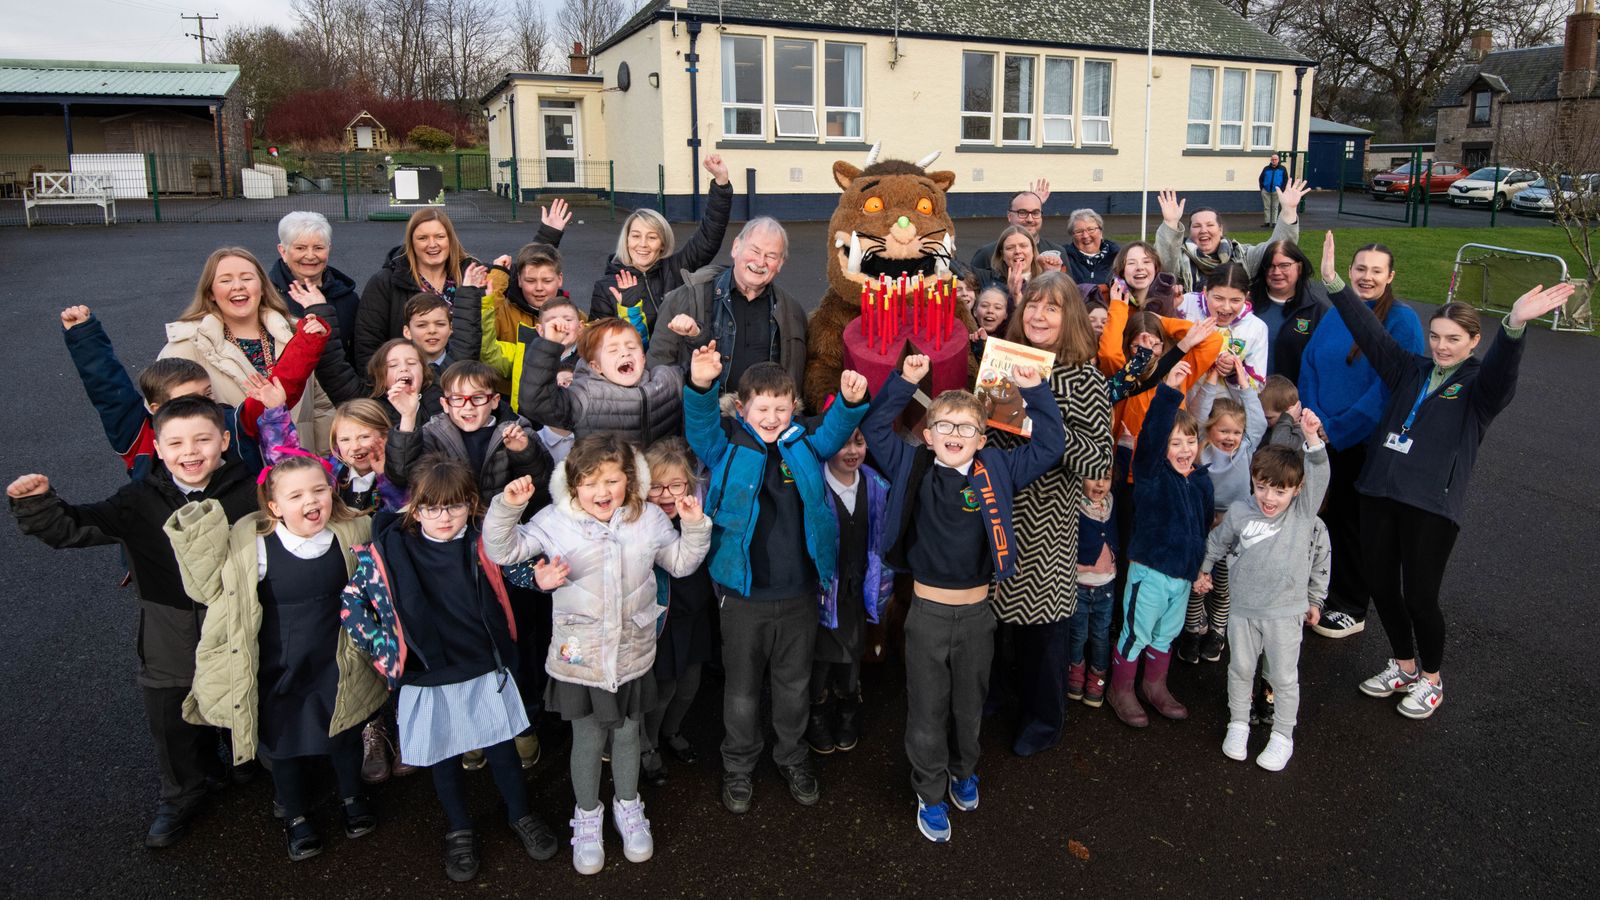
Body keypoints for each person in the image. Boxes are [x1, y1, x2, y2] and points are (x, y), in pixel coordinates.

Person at [1319, 231, 1575, 719]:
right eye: (1436, 336)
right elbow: (1369, 332)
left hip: (1431, 506)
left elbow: (1502, 373)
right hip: (1378, 492)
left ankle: (1432, 679)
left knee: (1419, 595)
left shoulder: (1480, 389)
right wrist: (1334, 282)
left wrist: (1515, 326)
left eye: (1454, 339)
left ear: (1473, 341)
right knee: (1381, 586)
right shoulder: (1407, 369)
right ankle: (1403, 665)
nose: (1441, 346)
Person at [9, 397, 259, 848]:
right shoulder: (139, 499)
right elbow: (74, 527)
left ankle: (247, 763)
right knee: (172, 715)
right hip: (169, 630)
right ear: (159, 448)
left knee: (245, 690)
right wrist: (38, 505)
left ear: (224, 440)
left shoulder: (252, 491)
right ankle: (184, 792)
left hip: (237, 621)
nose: (191, 451)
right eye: (177, 442)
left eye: (203, 439)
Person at [861, 353, 1065, 842]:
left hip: (978, 614)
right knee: (927, 708)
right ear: (928, 435)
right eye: (944, 426)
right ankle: (929, 794)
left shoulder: (997, 468)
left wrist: (1035, 390)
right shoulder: (913, 465)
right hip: (927, 614)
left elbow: (1052, 444)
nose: (955, 433)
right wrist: (904, 382)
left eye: (967, 427)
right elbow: (874, 428)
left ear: (983, 437)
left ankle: (962, 770)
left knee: (968, 704)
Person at [484, 435, 711, 875]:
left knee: (627, 733)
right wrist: (508, 508)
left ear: (630, 480)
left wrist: (695, 526)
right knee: (587, 739)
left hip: (632, 652)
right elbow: (503, 550)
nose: (602, 492)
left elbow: (681, 563)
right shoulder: (555, 520)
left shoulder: (647, 520)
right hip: (581, 656)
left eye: (612, 480)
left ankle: (629, 806)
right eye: (589, 482)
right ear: (572, 486)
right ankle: (587, 816)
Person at [338, 457, 559, 881]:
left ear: (470, 504)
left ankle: (520, 814)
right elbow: (352, 603)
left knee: (502, 750)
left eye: (455, 506)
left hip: (484, 666)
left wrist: (539, 580)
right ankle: (459, 828)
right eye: (432, 508)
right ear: (415, 509)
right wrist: (387, 651)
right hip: (426, 673)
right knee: (444, 758)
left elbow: (516, 570)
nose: (444, 517)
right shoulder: (389, 549)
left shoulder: (482, 543)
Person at [164, 454, 386, 860]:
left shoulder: (352, 531)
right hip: (278, 660)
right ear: (274, 507)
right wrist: (197, 534)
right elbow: (208, 588)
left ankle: (353, 797)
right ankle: (296, 814)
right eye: (296, 495)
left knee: (345, 729)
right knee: (281, 742)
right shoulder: (256, 547)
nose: (311, 500)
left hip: (337, 655)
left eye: (319, 489)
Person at [681, 349, 870, 815]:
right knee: (742, 689)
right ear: (742, 409)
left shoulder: (804, 444)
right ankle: (739, 765)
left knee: (793, 684)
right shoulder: (726, 445)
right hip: (743, 595)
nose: (771, 417)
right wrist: (702, 387)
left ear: (794, 409)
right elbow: (700, 429)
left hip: (800, 592)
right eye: (761, 409)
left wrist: (847, 404)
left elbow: (832, 435)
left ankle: (792, 755)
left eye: (781, 409)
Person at [986, 274, 1113, 756]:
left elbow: (1097, 460)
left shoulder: (1085, 378)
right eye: (1033, 305)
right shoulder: (1006, 360)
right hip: (995, 513)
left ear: (1071, 318)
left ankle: (1044, 720)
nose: (1038, 316)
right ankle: (995, 699)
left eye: (1052, 308)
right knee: (992, 627)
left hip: (1046, 523)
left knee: (1041, 635)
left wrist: (1037, 423)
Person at [1299, 242, 1424, 640]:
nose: (1366, 277)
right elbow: (1310, 365)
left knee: (1352, 524)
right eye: (1360, 268)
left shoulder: (1402, 320)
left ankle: (1351, 606)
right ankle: (1324, 594)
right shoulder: (1338, 313)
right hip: (1320, 434)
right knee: (1322, 519)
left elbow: (1390, 388)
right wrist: (1313, 419)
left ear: (1391, 277)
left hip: (1360, 442)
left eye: (1376, 270)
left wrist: (1336, 429)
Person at [1199, 408, 1331, 770]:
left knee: (1283, 677)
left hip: (1285, 613)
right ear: (1252, 482)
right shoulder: (1241, 511)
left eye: (1279, 491)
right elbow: (1217, 541)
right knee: (1240, 669)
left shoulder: (1302, 514)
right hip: (1242, 611)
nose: (1269, 498)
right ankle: (1238, 724)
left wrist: (1313, 440)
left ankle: (1282, 736)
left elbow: (1320, 473)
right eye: (1261, 487)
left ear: (1297, 490)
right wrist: (1205, 569)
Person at [60, 304, 324, 479]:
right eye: (188, 400)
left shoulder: (229, 421)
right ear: (156, 409)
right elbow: (108, 388)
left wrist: (309, 341)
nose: (204, 405)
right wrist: (84, 334)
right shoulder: (138, 435)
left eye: (207, 394)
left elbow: (278, 387)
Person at [1106, 363, 1213, 728]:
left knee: (1166, 635)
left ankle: (1155, 687)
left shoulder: (1200, 481)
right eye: (1175, 442)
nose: (1185, 449)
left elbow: (1202, 530)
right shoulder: (1152, 473)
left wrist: (1200, 570)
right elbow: (1150, 434)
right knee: (1136, 632)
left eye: (1190, 441)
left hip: (1182, 579)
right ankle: (1121, 689)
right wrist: (1168, 389)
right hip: (1150, 572)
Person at [160, 247, 335, 452]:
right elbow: (165, 421)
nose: (238, 286)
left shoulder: (297, 335)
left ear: (262, 286)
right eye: (226, 280)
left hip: (300, 474)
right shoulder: (186, 348)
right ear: (211, 293)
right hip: (232, 478)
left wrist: (325, 465)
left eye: (247, 278)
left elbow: (322, 408)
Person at [806, 429, 894, 756]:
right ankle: (815, 713)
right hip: (823, 592)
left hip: (858, 591)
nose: (852, 451)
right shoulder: (812, 485)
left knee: (851, 656)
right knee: (818, 660)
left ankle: (847, 709)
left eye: (859, 441)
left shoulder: (877, 487)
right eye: (843, 442)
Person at [646, 217, 808, 393]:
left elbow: (798, 379)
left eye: (771, 256)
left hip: (767, 419)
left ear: (780, 264)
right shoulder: (685, 299)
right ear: (736, 247)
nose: (761, 262)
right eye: (755, 250)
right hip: (704, 415)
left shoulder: (792, 312)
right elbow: (659, 368)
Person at [1176, 356, 1268, 665]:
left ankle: (1217, 630)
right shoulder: (1201, 446)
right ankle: (1192, 629)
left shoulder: (1245, 448)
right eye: (1223, 432)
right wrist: (1213, 375)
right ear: (1209, 431)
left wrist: (1243, 382)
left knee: (1224, 582)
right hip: (1202, 520)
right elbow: (1199, 411)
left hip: (1234, 522)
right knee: (1197, 578)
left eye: (1235, 433)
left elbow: (1258, 420)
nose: (1230, 438)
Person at [637, 438, 717, 783]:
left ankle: (672, 731)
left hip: (694, 614)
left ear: (689, 484)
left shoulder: (695, 515)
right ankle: (648, 746)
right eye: (655, 486)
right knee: (663, 689)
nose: (666, 494)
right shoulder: (640, 525)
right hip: (661, 621)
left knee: (689, 686)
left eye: (675, 484)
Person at [590, 155, 734, 342]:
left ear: (663, 244)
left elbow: (709, 237)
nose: (642, 244)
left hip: (674, 365)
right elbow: (596, 341)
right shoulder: (607, 286)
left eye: (652, 237)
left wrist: (721, 184)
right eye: (635, 236)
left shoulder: (676, 269)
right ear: (626, 241)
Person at [518, 311, 684, 447]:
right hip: (609, 483)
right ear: (596, 366)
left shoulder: (666, 381)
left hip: (663, 483)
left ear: (643, 357)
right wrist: (549, 344)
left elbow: (701, 378)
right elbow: (536, 402)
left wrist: (694, 336)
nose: (625, 353)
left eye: (631, 347)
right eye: (613, 350)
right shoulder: (584, 397)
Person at [355, 208, 495, 368]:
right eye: (423, 238)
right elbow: (367, 345)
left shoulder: (471, 278)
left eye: (440, 237)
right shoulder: (386, 282)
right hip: (405, 384)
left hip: (463, 383)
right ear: (411, 243)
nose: (432, 244)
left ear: (450, 239)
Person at [1154, 179, 1308, 292]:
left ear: (1220, 229)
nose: (1203, 230)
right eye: (1196, 226)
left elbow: (1277, 249)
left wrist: (1288, 211)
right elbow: (1163, 262)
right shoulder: (1179, 257)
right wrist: (1170, 223)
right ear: (1189, 231)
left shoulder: (1243, 256)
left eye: (1210, 225)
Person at [270, 211, 361, 367]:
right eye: (300, 248)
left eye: (318, 248)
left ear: (328, 249)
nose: (310, 256)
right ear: (283, 251)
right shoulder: (266, 297)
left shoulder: (348, 299)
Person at [1068, 474, 1117, 708]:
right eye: (1093, 478)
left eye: (1106, 478)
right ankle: (1074, 670)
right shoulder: (1073, 503)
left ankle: (1097, 675)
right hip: (1078, 584)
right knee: (1078, 634)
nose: (1100, 484)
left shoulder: (1111, 504)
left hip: (1105, 585)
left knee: (1100, 634)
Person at [1249, 239, 1329, 383]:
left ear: (1299, 268)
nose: (1276, 272)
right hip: (1245, 395)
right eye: (1270, 266)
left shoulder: (1317, 311)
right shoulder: (1246, 302)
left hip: (1291, 401)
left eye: (1284, 265)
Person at [1179, 262, 1269, 387]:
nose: (1226, 307)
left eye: (1235, 300)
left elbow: (1257, 386)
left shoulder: (1256, 328)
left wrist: (1233, 372)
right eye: (1218, 298)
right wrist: (1166, 302)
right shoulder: (1185, 304)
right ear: (1205, 292)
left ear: (1246, 297)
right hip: (1180, 400)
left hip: (1224, 404)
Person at [967, 183, 1063, 269]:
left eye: (1035, 213)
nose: (1030, 219)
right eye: (1022, 212)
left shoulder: (1057, 252)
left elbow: (1069, 287)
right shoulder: (987, 255)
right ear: (1009, 216)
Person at [1109, 241, 1181, 317]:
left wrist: (1169, 307)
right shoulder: (1106, 297)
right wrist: (1116, 307)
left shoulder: (1169, 300)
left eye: (1146, 262)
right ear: (1122, 271)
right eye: (1131, 263)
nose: (1140, 267)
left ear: (1155, 268)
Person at [983, 225, 1043, 302]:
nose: (1017, 251)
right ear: (1002, 255)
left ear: (1033, 250)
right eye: (1010, 248)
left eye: (1023, 246)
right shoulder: (990, 282)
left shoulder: (1046, 281)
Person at [1062, 209, 1121, 285]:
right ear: (1072, 236)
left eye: (1091, 229)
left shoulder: (1117, 257)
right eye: (1079, 232)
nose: (1085, 236)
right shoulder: (1063, 257)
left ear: (1101, 231)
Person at [1258, 154, 1289, 227]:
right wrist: (1262, 188)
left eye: (1275, 159)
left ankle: (1274, 223)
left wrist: (1281, 189)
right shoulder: (1266, 168)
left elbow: (1285, 180)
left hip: (1277, 191)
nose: (1274, 161)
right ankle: (1267, 222)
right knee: (1266, 207)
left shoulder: (1282, 169)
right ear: (1271, 160)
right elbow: (1261, 179)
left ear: (1278, 160)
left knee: (1275, 207)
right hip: (1266, 190)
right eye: (1272, 159)